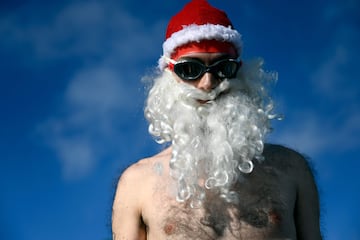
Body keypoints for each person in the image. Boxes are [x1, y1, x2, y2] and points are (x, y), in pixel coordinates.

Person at [112, 0, 322, 239]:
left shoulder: (291, 170)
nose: (208, 84)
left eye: (223, 69)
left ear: (240, 72)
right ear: (169, 77)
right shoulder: (137, 182)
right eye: (190, 69)